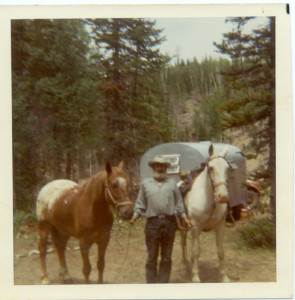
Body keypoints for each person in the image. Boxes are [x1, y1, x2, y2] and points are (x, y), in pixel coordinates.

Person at [130, 155, 192, 283]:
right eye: (158, 166)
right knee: (152, 256)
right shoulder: (146, 184)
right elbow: (140, 203)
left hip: (169, 223)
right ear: (153, 167)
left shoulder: (172, 184)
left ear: (166, 168)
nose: (160, 168)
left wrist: (185, 218)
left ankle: (163, 283)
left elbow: (179, 202)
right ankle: (152, 284)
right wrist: (135, 216)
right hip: (152, 224)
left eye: (163, 166)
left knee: (166, 257)